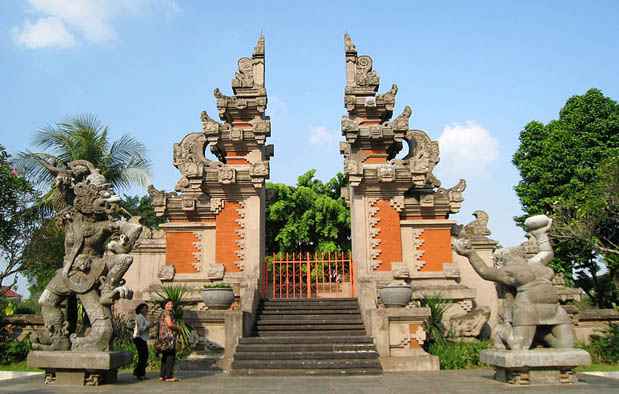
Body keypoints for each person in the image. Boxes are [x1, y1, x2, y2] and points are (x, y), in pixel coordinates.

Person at [158, 299, 179, 382]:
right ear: (164, 305)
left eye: (171, 304)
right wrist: (178, 328)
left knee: (165, 356)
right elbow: (169, 324)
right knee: (171, 356)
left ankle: (162, 375)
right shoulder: (167, 313)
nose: (170, 305)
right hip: (168, 338)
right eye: (168, 304)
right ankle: (169, 376)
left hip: (163, 337)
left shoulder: (163, 313)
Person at [132, 303, 152, 380]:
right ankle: (139, 373)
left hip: (142, 338)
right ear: (140, 309)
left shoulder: (144, 317)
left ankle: (140, 373)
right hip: (139, 338)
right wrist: (149, 325)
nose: (146, 309)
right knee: (143, 356)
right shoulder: (139, 317)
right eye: (144, 308)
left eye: (146, 308)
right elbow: (141, 329)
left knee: (144, 356)